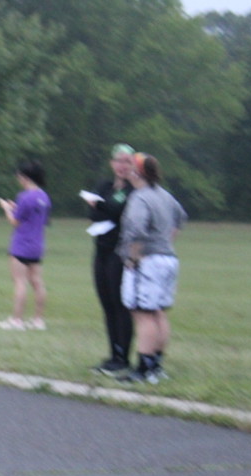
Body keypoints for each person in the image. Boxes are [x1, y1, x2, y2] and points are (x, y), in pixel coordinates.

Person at [117, 153, 186, 384]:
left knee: (143, 314)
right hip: (167, 258)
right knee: (158, 313)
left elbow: (136, 229)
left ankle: (143, 369)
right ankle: (156, 366)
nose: (126, 169)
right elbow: (180, 218)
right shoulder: (164, 195)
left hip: (147, 260)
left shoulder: (140, 197)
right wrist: (165, 242)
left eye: (130, 165)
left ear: (138, 172)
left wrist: (133, 258)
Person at [86, 144, 136, 375]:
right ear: (112, 163)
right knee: (106, 303)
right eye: (118, 161)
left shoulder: (133, 190)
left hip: (121, 251)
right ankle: (113, 354)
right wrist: (106, 209)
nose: (122, 166)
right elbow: (93, 214)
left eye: (127, 161)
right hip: (102, 249)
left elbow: (121, 212)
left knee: (120, 304)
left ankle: (123, 356)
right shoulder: (104, 186)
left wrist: (103, 207)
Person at [0, 160, 51, 331]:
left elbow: (15, 221)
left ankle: (17, 320)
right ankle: (38, 320)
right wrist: (16, 207)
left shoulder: (24, 196)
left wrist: (7, 208)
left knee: (20, 282)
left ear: (25, 177)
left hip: (21, 245)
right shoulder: (44, 196)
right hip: (37, 245)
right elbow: (34, 216)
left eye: (19, 176)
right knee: (37, 282)